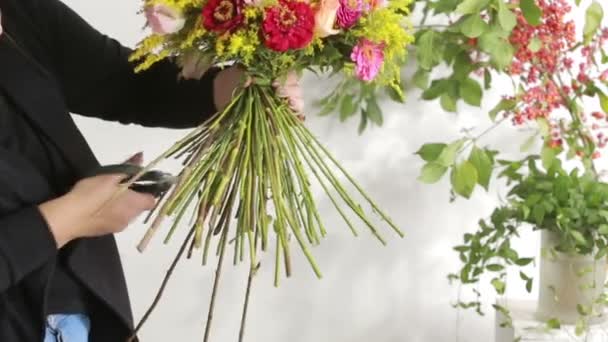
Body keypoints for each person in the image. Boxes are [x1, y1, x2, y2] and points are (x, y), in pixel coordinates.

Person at [0, 0, 302, 341]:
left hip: (79, 311)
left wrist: (226, 88)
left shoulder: (17, 12)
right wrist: (71, 217)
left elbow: (119, 82)